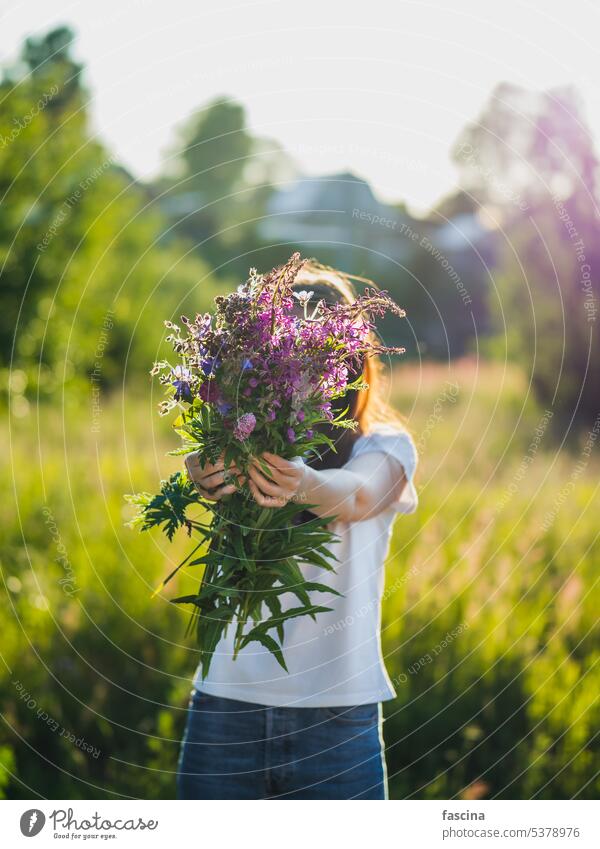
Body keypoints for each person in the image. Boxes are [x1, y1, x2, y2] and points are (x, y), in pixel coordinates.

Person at [177, 261, 418, 799]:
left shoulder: (384, 446)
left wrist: (300, 482)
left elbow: (356, 495)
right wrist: (201, 467)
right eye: (283, 352)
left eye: (315, 354)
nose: (299, 369)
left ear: (348, 362)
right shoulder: (235, 437)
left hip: (336, 724)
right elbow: (198, 469)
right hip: (224, 711)